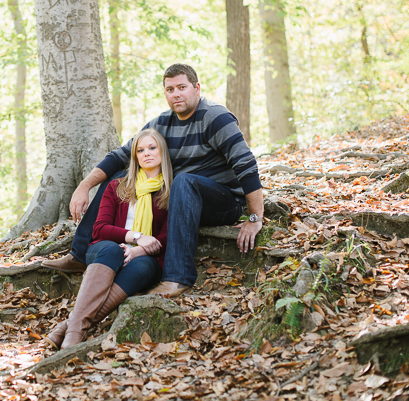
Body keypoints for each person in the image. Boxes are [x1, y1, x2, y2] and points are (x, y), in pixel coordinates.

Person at [42, 63, 264, 299]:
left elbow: (246, 165)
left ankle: (178, 278)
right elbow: (119, 156)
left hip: (222, 201)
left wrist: (254, 217)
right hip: (182, 200)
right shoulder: (162, 124)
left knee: (184, 181)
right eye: (170, 89)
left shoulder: (215, 117)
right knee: (121, 176)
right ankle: (79, 254)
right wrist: (84, 186)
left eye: (182, 87)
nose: (176, 94)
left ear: (197, 88)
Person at [46, 129, 173, 349]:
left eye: (152, 148)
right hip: (106, 248)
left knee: (144, 267)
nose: (147, 154)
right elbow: (100, 229)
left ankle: (68, 328)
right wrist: (136, 237)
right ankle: (75, 335)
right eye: (140, 150)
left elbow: (165, 237)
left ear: (163, 152)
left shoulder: (172, 191)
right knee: (112, 250)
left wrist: (137, 250)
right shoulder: (118, 186)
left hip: (145, 256)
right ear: (135, 157)